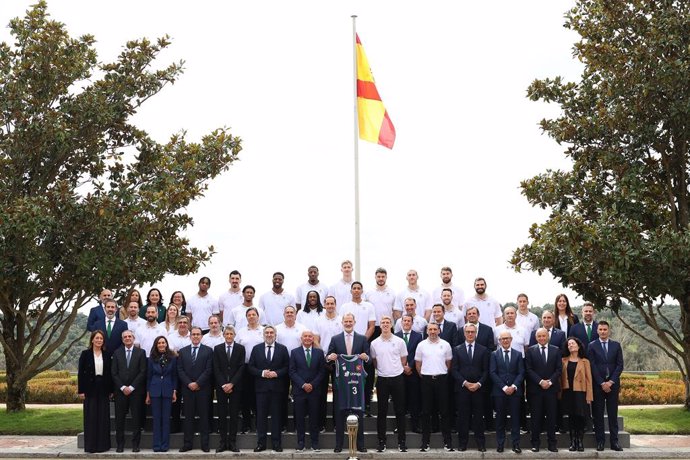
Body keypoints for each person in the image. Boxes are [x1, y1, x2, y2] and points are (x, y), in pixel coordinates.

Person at [327, 313, 370, 453]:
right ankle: (338, 444)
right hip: (341, 383)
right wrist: (330, 357)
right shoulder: (335, 339)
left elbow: (368, 357)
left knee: (358, 412)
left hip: (357, 383)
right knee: (340, 413)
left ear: (354, 322)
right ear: (342, 322)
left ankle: (361, 444)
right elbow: (328, 357)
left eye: (350, 321)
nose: (348, 323)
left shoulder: (362, 339)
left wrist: (366, 357)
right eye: (346, 321)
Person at [248, 325, 290, 452]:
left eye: (272, 333)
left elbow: (287, 367)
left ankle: (276, 443)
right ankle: (261, 443)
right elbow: (251, 367)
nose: (269, 335)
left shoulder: (283, 349)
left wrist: (276, 373)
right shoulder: (256, 349)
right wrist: (262, 373)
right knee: (261, 417)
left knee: (277, 417)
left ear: (275, 335)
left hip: (277, 389)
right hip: (261, 389)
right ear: (263, 335)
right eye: (267, 333)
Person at [370, 315, 408, 452]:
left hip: (397, 378)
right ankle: (381, 441)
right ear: (380, 325)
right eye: (383, 323)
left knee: (400, 410)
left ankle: (402, 442)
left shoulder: (399, 341)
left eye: (387, 322)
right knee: (382, 411)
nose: (385, 324)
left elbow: (403, 359)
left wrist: (395, 369)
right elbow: (374, 361)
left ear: (391, 324)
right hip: (382, 379)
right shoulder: (374, 343)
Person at [415, 322, 453, 452]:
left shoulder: (446, 344)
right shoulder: (421, 345)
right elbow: (418, 364)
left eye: (435, 329)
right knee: (426, 412)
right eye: (430, 329)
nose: (432, 331)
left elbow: (449, 363)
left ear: (439, 331)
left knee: (445, 411)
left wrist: (440, 373)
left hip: (442, 380)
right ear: (427, 331)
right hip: (426, 380)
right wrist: (426, 375)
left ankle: (448, 442)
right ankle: (425, 443)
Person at [451, 323, 489, 452]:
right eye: (468, 332)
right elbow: (454, 370)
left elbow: (486, 371)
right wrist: (466, 383)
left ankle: (481, 444)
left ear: (476, 333)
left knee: (479, 417)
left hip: (478, 389)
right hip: (462, 389)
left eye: (473, 332)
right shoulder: (457, 349)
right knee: (463, 417)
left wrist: (478, 384)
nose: (470, 334)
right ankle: (462, 443)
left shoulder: (483, 350)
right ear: (464, 333)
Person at [588, 320, 624, 452]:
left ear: (609, 331)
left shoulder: (616, 345)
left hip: (613, 385)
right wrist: (602, 383)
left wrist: (610, 382)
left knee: (612, 414)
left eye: (605, 329)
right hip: (598, 385)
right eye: (600, 329)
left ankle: (614, 442)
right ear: (597, 331)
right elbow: (592, 366)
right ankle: (600, 442)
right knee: (597, 415)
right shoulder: (592, 346)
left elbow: (620, 365)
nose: (603, 332)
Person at [525, 327, 562, 452]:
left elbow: (558, 369)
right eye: (539, 336)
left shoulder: (556, 350)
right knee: (536, 418)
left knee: (551, 418)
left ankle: (552, 443)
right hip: (536, 390)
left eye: (544, 336)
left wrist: (550, 382)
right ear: (536, 338)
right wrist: (540, 382)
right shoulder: (530, 351)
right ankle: (535, 443)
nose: (541, 338)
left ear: (548, 337)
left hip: (551, 390)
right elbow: (528, 369)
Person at [289, 330, 326, 452]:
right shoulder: (294, 352)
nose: (308, 338)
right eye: (305, 336)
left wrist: (312, 385)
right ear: (301, 338)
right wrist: (303, 384)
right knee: (299, 418)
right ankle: (301, 443)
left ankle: (315, 443)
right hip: (299, 391)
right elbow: (292, 371)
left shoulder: (319, 353)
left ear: (313, 339)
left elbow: (322, 372)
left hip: (314, 391)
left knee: (314, 418)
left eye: (310, 336)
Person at [178, 327, 213, 452]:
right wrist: (189, 383)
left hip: (203, 389)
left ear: (201, 336)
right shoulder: (182, 351)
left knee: (204, 417)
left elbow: (208, 370)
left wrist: (197, 383)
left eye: (198, 334)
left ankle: (205, 444)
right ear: (190, 336)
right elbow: (180, 370)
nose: (196, 336)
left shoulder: (208, 351)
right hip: (187, 390)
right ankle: (188, 444)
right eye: (193, 334)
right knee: (188, 418)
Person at [111, 329, 147, 453]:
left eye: (129, 336)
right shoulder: (116, 353)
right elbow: (114, 373)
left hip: (136, 392)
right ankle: (120, 444)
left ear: (133, 338)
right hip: (120, 392)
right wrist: (122, 387)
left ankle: (135, 445)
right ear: (122, 339)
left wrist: (131, 387)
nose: (127, 338)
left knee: (136, 419)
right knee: (119, 419)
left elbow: (143, 372)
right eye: (125, 337)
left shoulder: (141, 353)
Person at [490, 330, 524, 453]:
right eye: (502, 339)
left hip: (515, 392)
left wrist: (514, 386)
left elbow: (521, 372)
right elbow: (492, 373)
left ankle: (516, 444)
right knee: (500, 419)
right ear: (499, 341)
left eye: (507, 338)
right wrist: (504, 387)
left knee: (515, 419)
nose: (505, 340)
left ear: (511, 339)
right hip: (499, 393)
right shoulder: (494, 355)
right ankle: (500, 444)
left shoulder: (518, 354)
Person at [78, 330, 112, 453]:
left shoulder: (107, 355)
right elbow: (80, 373)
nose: (99, 340)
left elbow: (109, 373)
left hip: (103, 387)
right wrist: (81, 391)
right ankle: (91, 446)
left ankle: (103, 446)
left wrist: (111, 390)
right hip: (89, 389)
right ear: (92, 340)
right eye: (97, 338)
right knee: (91, 416)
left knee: (103, 417)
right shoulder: (85, 354)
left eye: (101, 339)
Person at [213, 326, 246, 453]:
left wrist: (231, 384)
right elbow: (216, 368)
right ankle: (222, 442)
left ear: (234, 335)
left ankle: (232, 442)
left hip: (235, 387)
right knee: (221, 415)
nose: (228, 336)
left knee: (233, 415)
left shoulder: (240, 348)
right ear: (223, 335)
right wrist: (223, 384)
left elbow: (241, 367)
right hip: (221, 387)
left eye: (231, 334)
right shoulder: (217, 348)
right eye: (226, 334)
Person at [314, 295, 342, 431]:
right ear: (324, 305)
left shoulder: (342, 320)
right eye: (328, 303)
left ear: (335, 305)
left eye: (332, 303)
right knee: (321, 394)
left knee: (339, 393)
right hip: (323, 360)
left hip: (338, 361)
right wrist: (325, 356)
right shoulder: (319, 320)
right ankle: (321, 424)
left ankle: (338, 424)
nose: (330, 306)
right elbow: (315, 340)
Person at [561, 337, 593, 452]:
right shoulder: (563, 360)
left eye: (573, 344)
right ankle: (572, 441)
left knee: (580, 417)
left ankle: (580, 441)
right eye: (569, 344)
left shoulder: (585, 361)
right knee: (571, 417)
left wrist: (589, 396)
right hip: (568, 391)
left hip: (581, 392)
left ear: (578, 346)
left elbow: (589, 380)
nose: (570, 346)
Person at [146, 335, 178, 452]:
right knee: (156, 419)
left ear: (166, 344)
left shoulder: (172, 358)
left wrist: (174, 391)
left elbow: (175, 376)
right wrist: (148, 394)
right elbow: (148, 377)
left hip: (168, 391)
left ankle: (165, 445)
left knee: (165, 419)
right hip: (154, 391)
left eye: (163, 343)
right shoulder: (151, 358)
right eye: (159, 343)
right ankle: (156, 445)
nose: (161, 345)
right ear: (156, 345)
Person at [235, 307, 264, 434]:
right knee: (245, 397)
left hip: (260, 368)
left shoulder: (264, 330)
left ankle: (259, 425)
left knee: (258, 397)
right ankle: (246, 425)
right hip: (245, 367)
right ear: (246, 317)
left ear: (258, 316)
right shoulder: (241, 332)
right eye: (249, 315)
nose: (251, 317)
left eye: (254, 314)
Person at [395, 314, 423, 433]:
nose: (406, 323)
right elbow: (394, 355)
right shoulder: (395, 336)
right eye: (404, 321)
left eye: (408, 321)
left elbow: (418, 354)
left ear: (412, 323)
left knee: (414, 400)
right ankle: (399, 426)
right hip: (399, 373)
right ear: (401, 322)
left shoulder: (418, 336)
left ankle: (415, 426)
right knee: (400, 401)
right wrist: (402, 367)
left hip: (413, 373)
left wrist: (410, 366)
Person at [364, 267, 396, 336]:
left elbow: (395, 312)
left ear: (386, 277)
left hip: (388, 326)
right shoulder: (368, 293)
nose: (381, 279)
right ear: (375, 277)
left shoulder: (392, 293)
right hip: (373, 327)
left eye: (383, 277)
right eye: (378, 277)